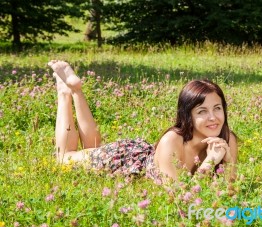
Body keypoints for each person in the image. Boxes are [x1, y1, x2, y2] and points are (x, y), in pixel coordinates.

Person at [48, 60, 237, 183]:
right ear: (187, 115)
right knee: (65, 158)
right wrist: (210, 162)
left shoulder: (227, 138)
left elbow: (228, 192)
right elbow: (179, 198)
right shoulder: (172, 141)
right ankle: (66, 92)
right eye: (202, 111)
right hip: (126, 160)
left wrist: (228, 163)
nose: (213, 117)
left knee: (94, 146)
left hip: (140, 156)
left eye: (217, 108)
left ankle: (76, 90)